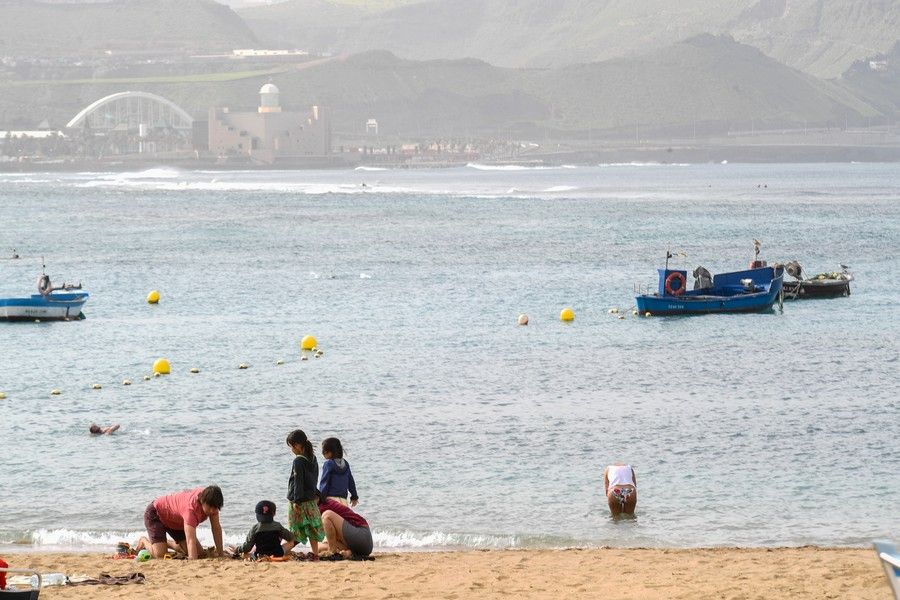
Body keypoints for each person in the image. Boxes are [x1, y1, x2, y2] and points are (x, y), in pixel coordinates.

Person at [143, 485, 224, 559]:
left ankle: (164, 543)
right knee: (160, 555)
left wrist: (221, 554)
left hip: (178, 521)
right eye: (210, 507)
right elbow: (190, 540)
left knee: (200, 553)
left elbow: (216, 528)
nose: (212, 511)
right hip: (156, 513)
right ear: (203, 501)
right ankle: (144, 541)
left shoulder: (212, 501)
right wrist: (192, 559)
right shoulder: (190, 510)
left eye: (215, 508)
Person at [286, 429, 324, 555]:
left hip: (299, 501)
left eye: (291, 446)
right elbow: (314, 479)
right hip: (310, 500)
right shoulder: (313, 458)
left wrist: (296, 501)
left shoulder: (298, 461)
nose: (292, 450)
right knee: (312, 527)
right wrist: (317, 494)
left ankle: (282, 549)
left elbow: (298, 481)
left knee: (295, 529)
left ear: (297, 445)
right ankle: (315, 554)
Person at [318, 437, 359, 507]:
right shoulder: (346, 464)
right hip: (343, 500)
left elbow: (324, 483)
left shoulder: (328, 464)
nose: (322, 453)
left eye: (324, 451)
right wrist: (354, 496)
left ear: (330, 452)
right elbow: (351, 482)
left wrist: (321, 499)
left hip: (330, 500)